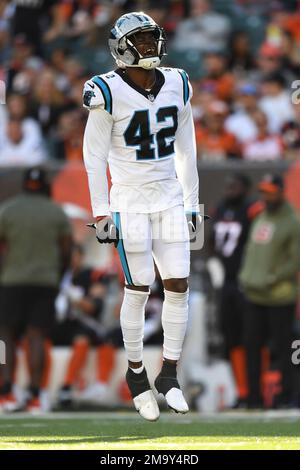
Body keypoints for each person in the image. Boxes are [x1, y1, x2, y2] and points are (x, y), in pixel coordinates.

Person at [82, 12, 201, 421]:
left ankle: (169, 373)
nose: (150, 48)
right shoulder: (106, 91)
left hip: (168, 196)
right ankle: (136, 376)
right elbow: (94, 157)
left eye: (152, 40)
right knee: (139, 289)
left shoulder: (179, 83)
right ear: (121, 46)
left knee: (180, 286)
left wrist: (191, 203)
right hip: (129, 201)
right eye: (141, 41)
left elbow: (187, 149)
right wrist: (100, 212)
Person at [0, 167, 72, 412]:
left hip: (11, 280)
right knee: (37, 338)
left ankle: (5, 391)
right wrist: (57, 276)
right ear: (45, 185)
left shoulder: (8, 210)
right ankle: (33, 393)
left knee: (4, 337)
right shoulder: (56, 213)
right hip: (45, 282)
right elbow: (66, 251)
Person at [239, 174, 300, 408]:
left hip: (279, 296)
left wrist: (272, 277)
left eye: (270, 191)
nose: (265, 196)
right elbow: (253, 251)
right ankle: (253, 398)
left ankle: (288, 397)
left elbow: (295, 259)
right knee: (252, 349)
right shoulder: (261, 216)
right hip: (255, 294)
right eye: (263, 191)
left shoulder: (292, 221)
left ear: (282, 192)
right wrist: (248, 275)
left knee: (284, 350)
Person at [210, 174, 263, 407]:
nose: (230, 189)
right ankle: (242, 392)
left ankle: (258, 392)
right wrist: (216, 269)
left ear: (245, 188)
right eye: (228, 185)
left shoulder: (252, 210)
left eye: (235, 186)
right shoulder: (219, 209)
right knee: (231, 338)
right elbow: (212, 243)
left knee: (252, 337)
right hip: (227, 284)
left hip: (248, 283)